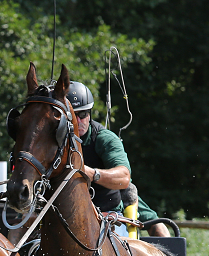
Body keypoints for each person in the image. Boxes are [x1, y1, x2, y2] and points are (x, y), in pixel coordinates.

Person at [65, 81, 171, 237]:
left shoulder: (104, 139)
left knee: (157, 226)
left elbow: (124, 178)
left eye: (83, 114)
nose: (79, 121)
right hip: (65, 215)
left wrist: (92, 173)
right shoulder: (52, 142)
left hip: (108, 215)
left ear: (90, 114)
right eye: (74, 116)